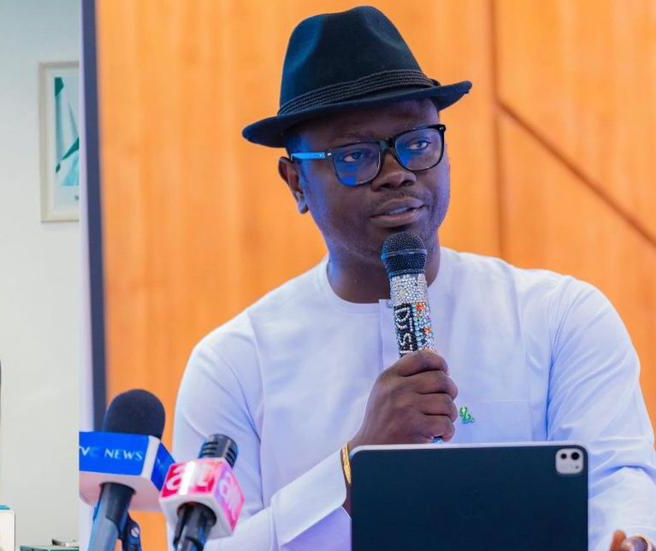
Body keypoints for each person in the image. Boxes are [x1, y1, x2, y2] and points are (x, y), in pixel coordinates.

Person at [171, 6, 656, 551]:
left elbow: (619, 484)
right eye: (356, 156)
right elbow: (206, 543)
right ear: (296, 182)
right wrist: (354, 470)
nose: (397, 172)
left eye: (418, 143)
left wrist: (628, 539)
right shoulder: (234, 366)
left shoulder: (560, 319)